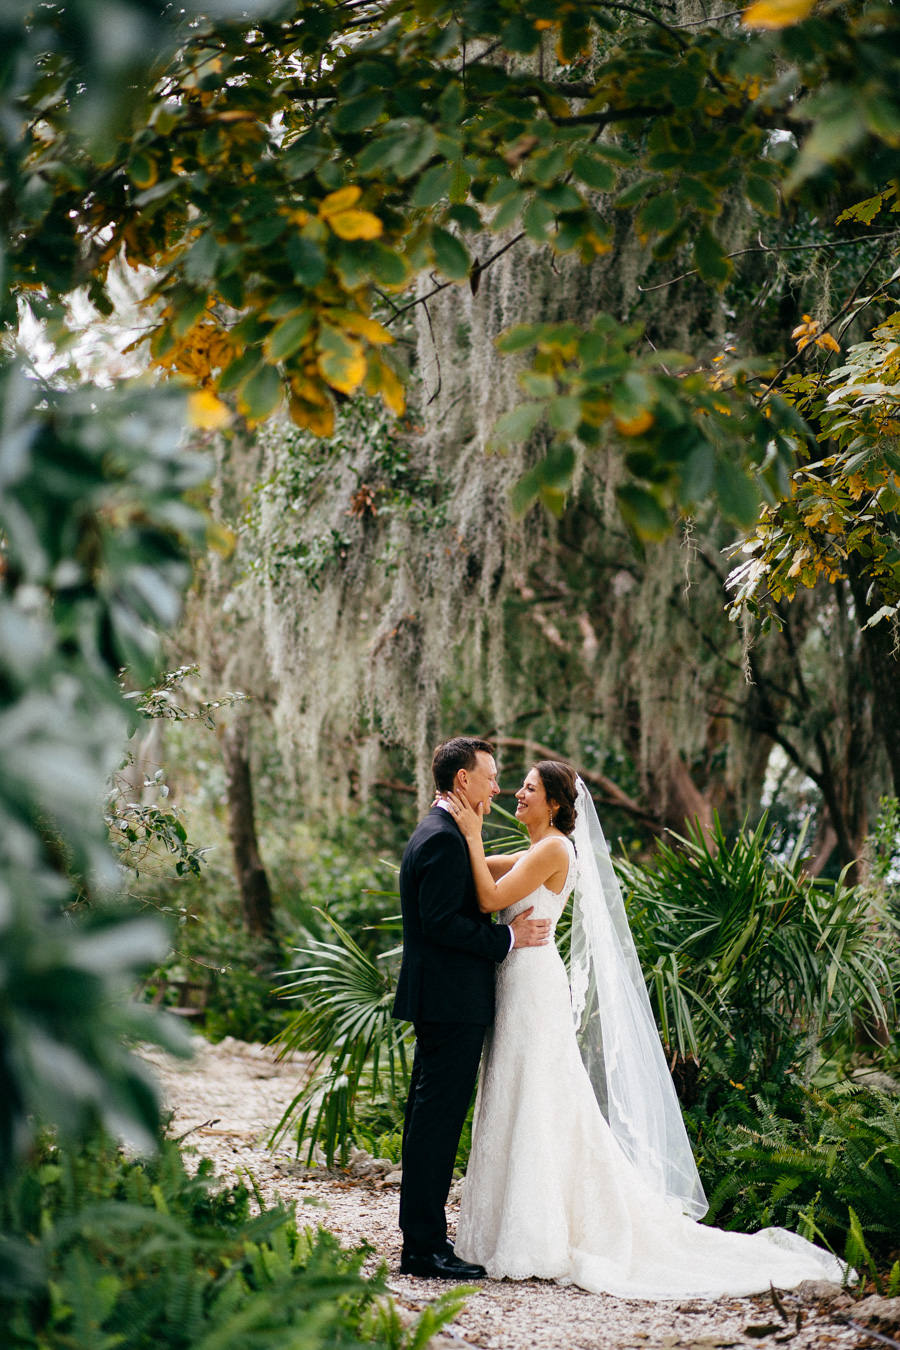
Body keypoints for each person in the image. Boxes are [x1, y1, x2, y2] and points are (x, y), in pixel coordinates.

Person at [444, 760, 849, 1299]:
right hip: (519, 982)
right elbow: (486, 870)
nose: (517, 793)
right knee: (527, 1094)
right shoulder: (538, 848)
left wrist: (470, 832)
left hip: (531, 986)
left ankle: (537, 1233)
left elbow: (492, 898)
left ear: (558, 805)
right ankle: (519, 1224)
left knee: (539, 1095)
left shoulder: (554, 848)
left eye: (530, 789)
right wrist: (463, 842)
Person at [392, 737, 552, 1280]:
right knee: (435, 1123)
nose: (499, 786)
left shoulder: (444, 833)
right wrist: (505, 938)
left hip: (444, 998)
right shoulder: (441, 839)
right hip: (449, 1000)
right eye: (491, 776)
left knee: (428, 1119)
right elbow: (441, 923)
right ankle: (423, 1249)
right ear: (463, 780)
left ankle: (422, 1239)